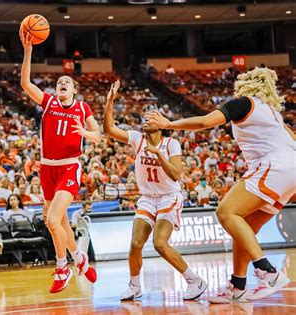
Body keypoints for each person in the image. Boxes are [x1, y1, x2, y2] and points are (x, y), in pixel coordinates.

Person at [148, 67, 295, 303]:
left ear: (246, 84)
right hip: (290, 172)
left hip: (274, 166)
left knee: (226, 211)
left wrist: (170, 123)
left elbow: (206, 122)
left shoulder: (244, 103)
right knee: (243, 225)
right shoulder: (274, 113)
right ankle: (238, 285)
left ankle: (267, 271)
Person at [104, 80, 207, 301]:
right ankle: (134, 286)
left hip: (169, 197)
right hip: (148, 199)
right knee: (135, 244)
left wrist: (158, 154)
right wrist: (110, 102)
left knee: (160, 244)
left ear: (161, 124)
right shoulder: (136, 139)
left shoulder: (171, 145)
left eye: (150, 117)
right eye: (144, 118)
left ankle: (194, 280)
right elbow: (109, 129)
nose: (145, 120)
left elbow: (176, 175)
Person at [20, 28, 99, 293]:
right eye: (59, 83)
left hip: (69, 166)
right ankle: (80, 258)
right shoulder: (49, 103)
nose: (61, 84)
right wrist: (29, 50)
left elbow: (98, 136)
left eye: (66, 82)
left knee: (52, 220)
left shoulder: (82, 108)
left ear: (74, 89)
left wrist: (84, 132)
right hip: (47, 168)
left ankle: (62, 267)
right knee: (60, 222)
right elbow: (25, 84)